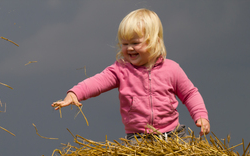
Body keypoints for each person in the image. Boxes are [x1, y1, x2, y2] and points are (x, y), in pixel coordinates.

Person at [52, 8, 210, 141]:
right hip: (138, 138)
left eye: (135, 43)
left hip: (173, 134)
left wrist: (200, 116)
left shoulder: (172, 69)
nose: (129, 48)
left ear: (155, 42)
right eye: (125, 44)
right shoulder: (121, 70)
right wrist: (75, 93)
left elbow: (190, 94)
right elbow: (97, 82)